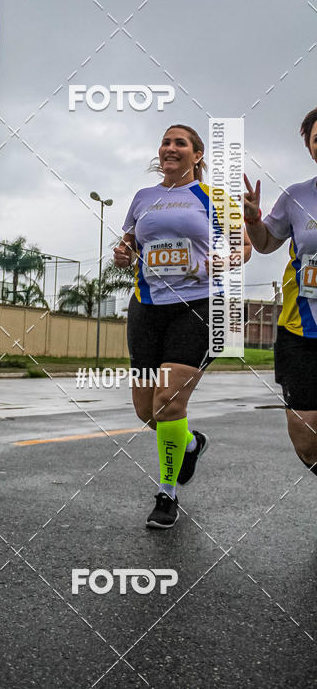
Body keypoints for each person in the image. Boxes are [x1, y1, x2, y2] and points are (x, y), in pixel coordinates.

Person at [113, 125, 251, 528]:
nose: (170, 148)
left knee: (170, 403)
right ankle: (190, 444)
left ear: (197, 155)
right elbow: (128, 245)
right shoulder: (143, 198)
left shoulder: (213, 198)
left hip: (199, 306)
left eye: (180, 143)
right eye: (166, 141)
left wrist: (228, 259)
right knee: (146, 411)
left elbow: (244, 245)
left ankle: (166, 494)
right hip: (147, 308)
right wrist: (123, 254)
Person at [244, 106, 317, 476]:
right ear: (310, 148)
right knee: (305, 436)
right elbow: (266, 243)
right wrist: (254, 221)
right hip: (300, 329)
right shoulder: (296, 197)